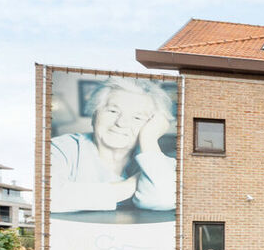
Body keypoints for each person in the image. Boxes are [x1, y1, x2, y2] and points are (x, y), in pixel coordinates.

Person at [50, 76, 176, 212]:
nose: (121, 123)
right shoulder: (59, 148)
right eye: (113, 111)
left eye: (137, 117)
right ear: (94, 116)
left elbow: (166, 199)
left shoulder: (157, 160)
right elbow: (46, 197)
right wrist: (130, 185)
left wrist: (149, 138)